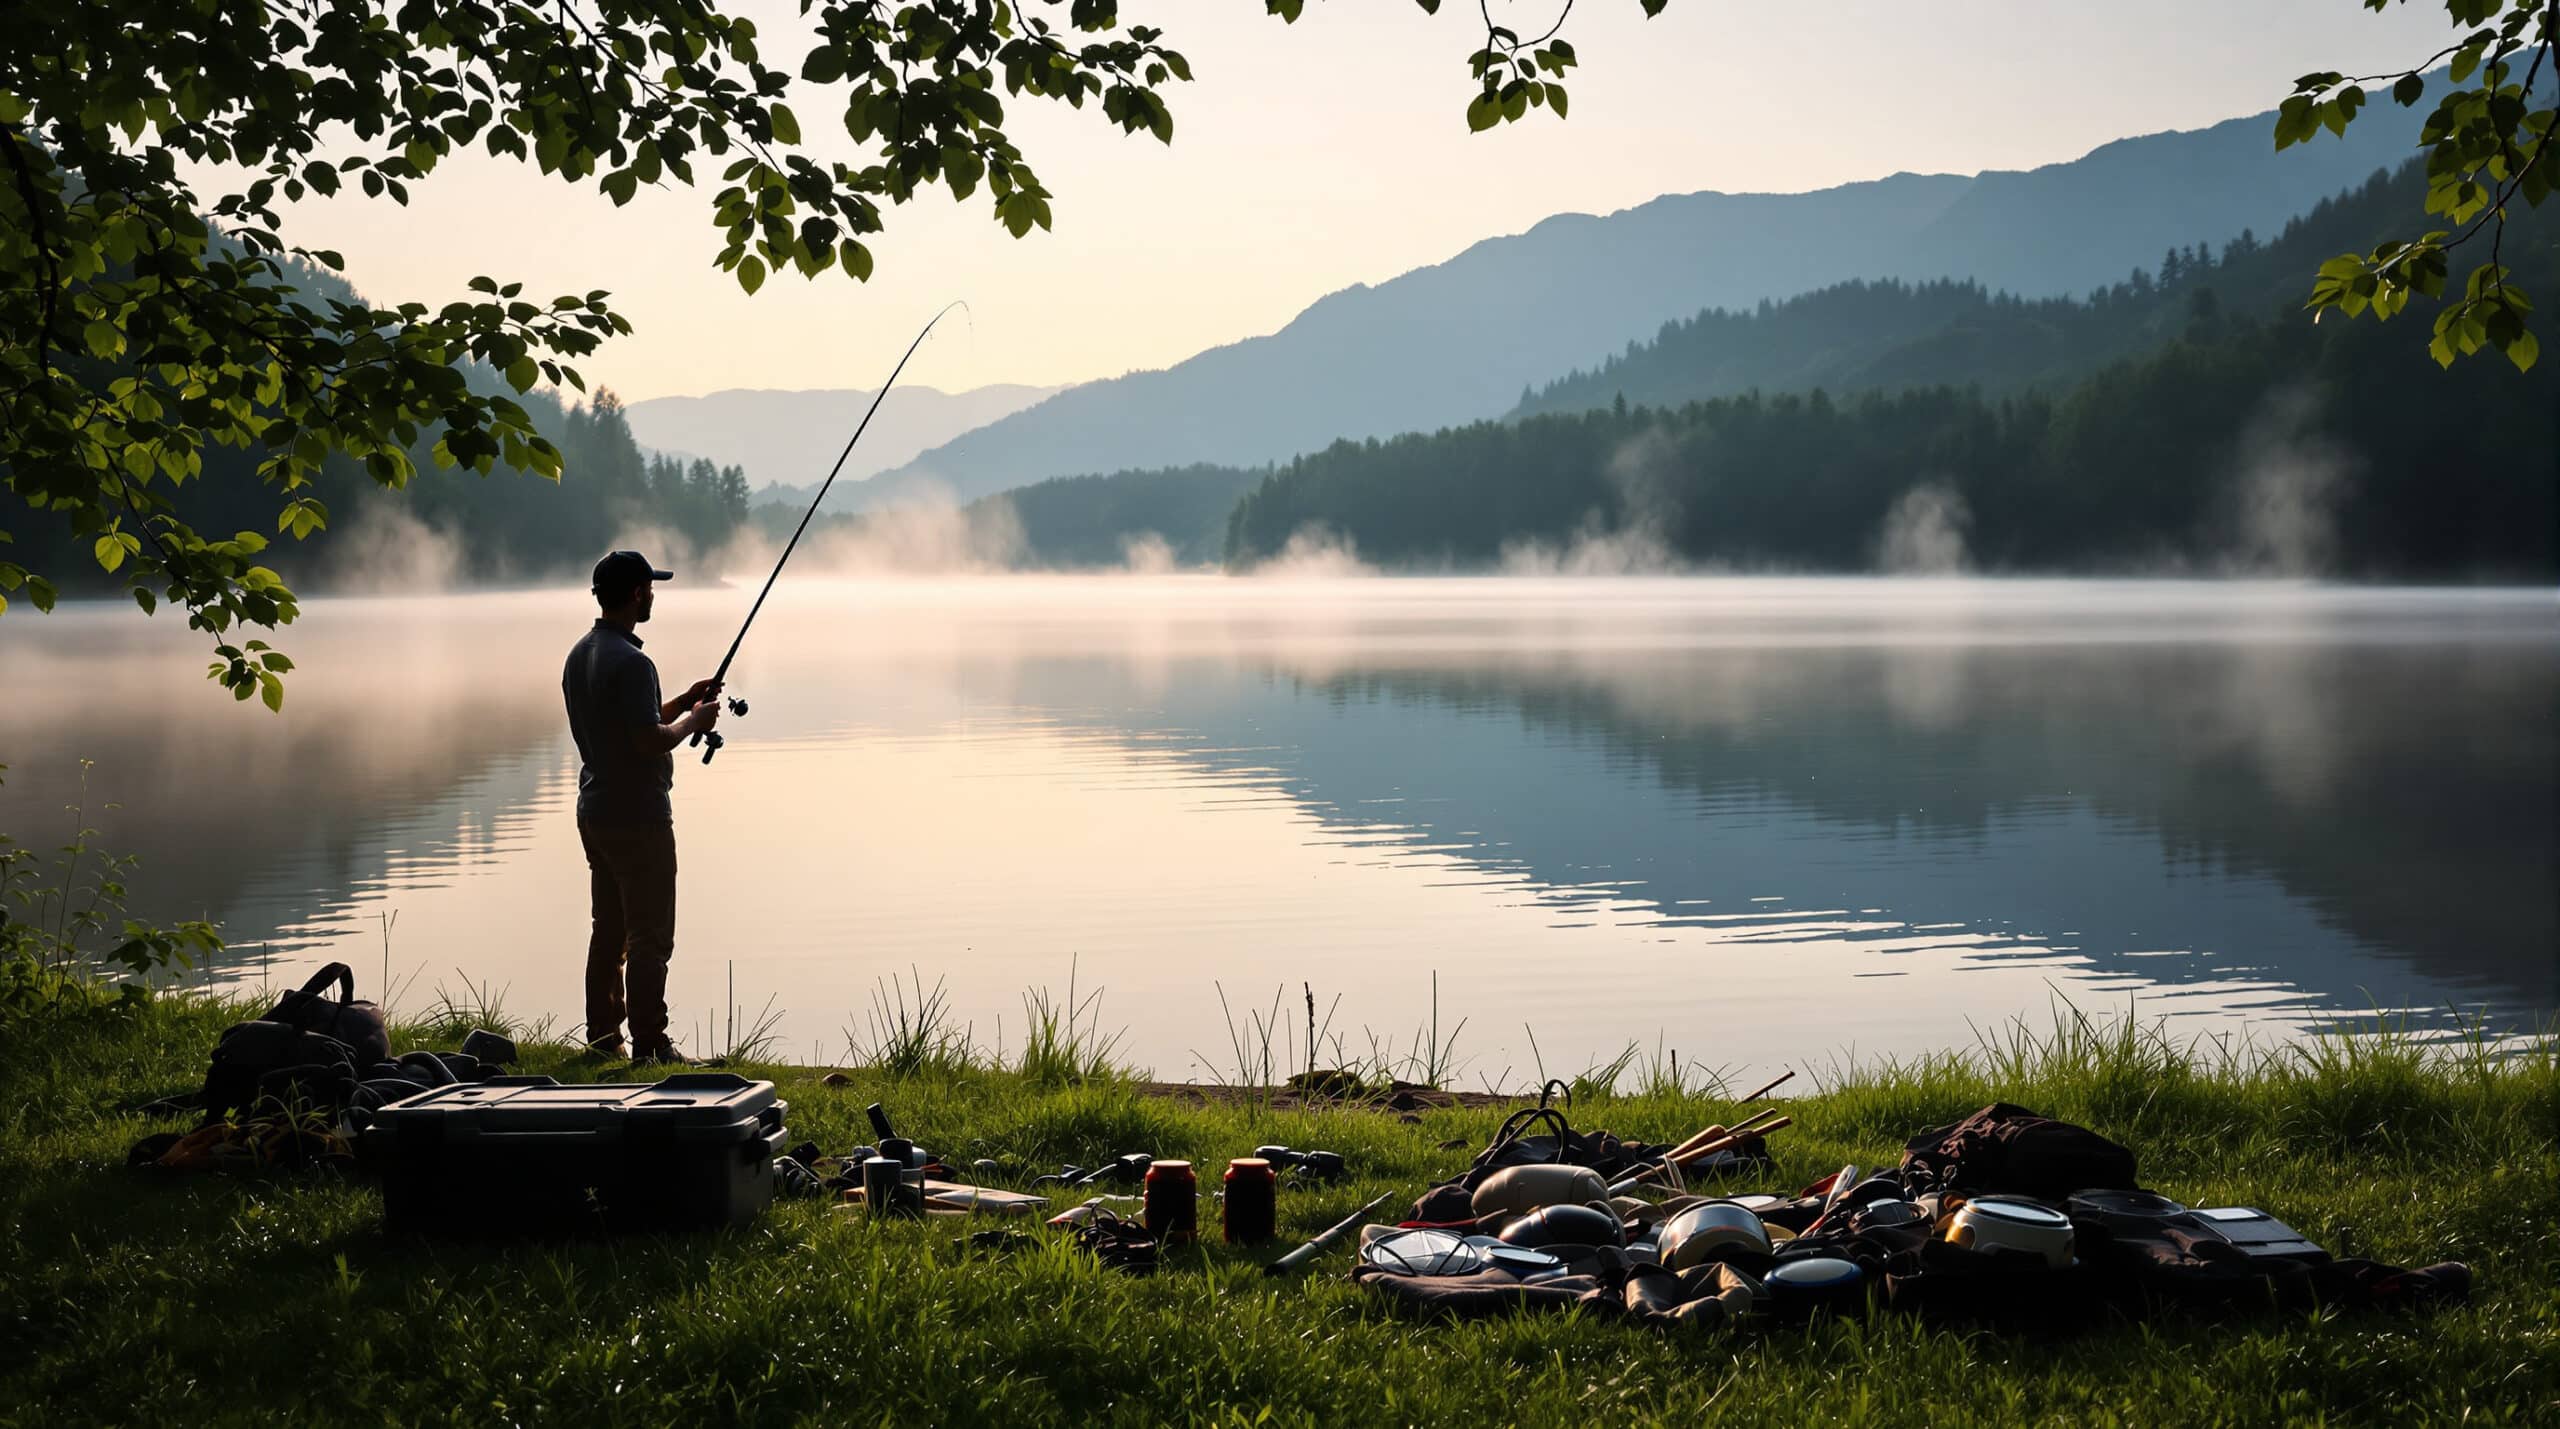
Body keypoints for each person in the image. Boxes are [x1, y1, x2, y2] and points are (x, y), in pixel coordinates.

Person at [562, 550, 723, 1063]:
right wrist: (693, 724)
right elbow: (650, 740)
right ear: (635, 593)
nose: (653, 593)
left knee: (608, 928)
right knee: (650, 934)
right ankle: (651, 1044)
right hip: (638, 816)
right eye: (650, 587)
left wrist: (683, 702)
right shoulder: (633, 661)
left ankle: (604, 1037)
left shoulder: (581, 653)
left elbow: (628, 726)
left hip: (596, 810)